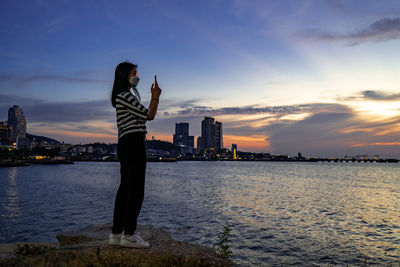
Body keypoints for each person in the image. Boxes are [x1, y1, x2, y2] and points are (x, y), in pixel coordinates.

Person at [109, 61, 162, 248]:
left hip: (125, 142)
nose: (137, 76)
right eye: (134, 72)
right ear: (125, 75)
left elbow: (141, 116)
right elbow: (149, 115)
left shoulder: (121, 97)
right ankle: (129, 234)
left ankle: (117, 233)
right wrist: (155, 97)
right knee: (136, 190)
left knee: (125, 189)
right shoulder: (125, 96)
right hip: (134, 142)